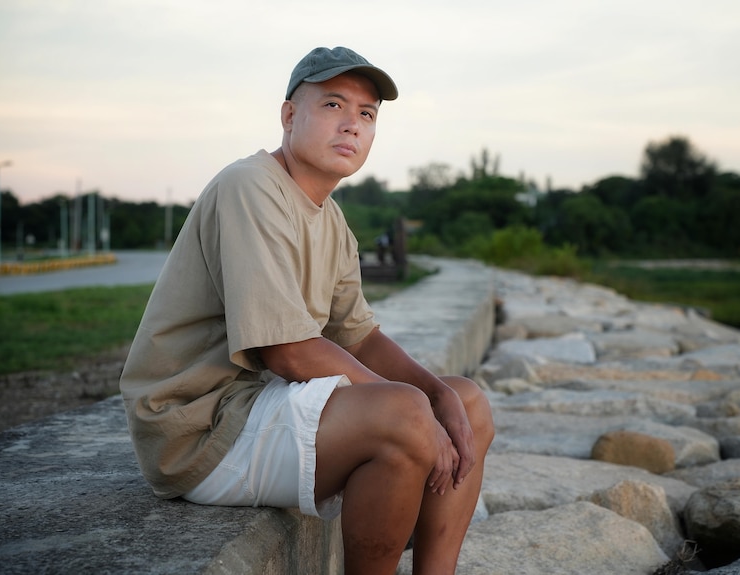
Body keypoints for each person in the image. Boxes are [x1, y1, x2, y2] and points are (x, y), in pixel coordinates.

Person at [119, 46, 493, 575]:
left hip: (260, 406)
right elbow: (287, 351)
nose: (351, 126)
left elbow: (358, 336)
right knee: (404, 416)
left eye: (366, 114)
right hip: (200, 430)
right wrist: (416, 410)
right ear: (289, 115)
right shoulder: (249, 186)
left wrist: (438, 394)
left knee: (467, 402)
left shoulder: (333, 220)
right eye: (333, 105)